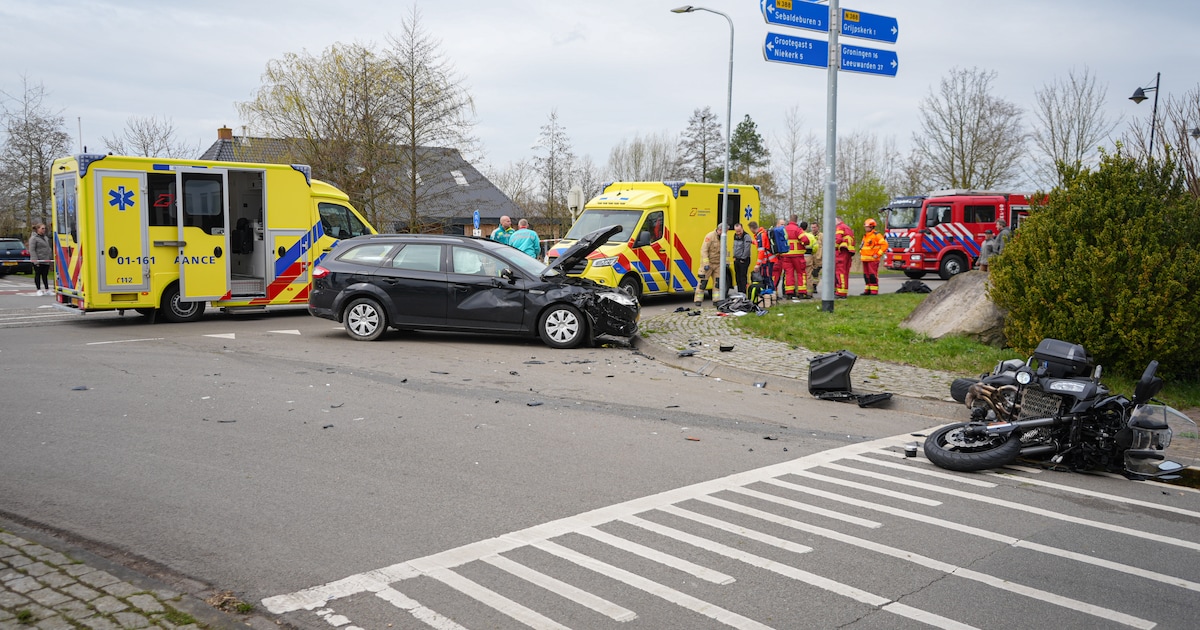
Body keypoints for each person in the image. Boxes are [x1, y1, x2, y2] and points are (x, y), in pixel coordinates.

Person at [780, 214, 811, 299]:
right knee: (801, 273)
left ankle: (789, 293)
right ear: (796, 220)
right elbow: (805, 240)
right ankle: (801, 293)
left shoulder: (784, 229)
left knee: (788, 274)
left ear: (789, 220)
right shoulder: (798, 229)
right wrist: (803, 244)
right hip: (798, 255)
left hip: (786, 255)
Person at [694, 224, 725, 308]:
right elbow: (704, 250)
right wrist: (706, 263)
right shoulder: (710, 236)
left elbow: (724, 251)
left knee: (717, 284)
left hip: (718, 264)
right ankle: (698, 300)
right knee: (702, 283)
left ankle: (716, 301)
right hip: (708, 264)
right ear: (719, 229)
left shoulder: (723, 237)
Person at [858, 218, 888, 295]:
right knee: (866, 275)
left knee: (872, 275)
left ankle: (874, 291)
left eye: (867, 226)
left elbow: (885, 245)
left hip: (873, 259)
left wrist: (878, 254)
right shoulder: (865, 236)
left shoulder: (876, 235)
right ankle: (867, 290)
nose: (865, 228)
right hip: (865, 259)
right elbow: (863, 246)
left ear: (871, 227)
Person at [28, 223, 53, 296]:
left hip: (46, 259)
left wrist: (50, 258)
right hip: (38, 259)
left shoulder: (45, 237)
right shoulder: (33, 238)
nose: (44, 230)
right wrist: (35, 261)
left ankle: (47, 289)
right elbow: (32, 250)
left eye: (44, 228)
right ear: (37, 229)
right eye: (42, 228)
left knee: (45, 275)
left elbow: (48, 248)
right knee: (38, 274)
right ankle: (38, 289)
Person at [833, 217, 855, 299]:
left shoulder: (839, 227)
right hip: (848, 253)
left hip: (841, 252)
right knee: (845, 273)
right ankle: (843, 291)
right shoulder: (848, 228)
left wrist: (831, 248)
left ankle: (841, 293)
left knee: (840, 272)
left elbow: (838, 239)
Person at [730, 222, 753, 295]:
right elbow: (735, 246)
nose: (738, 233)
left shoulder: (746, 236)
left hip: (744, 260)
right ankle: (739, 292)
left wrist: (743, 258)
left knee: (743, 276)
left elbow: (747, 249)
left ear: (742, 228)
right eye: (736, 231)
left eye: (739, 231)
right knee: (737, 276)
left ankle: (743, 292)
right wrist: (734, 256)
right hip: (737, 259)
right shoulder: (735, 235)